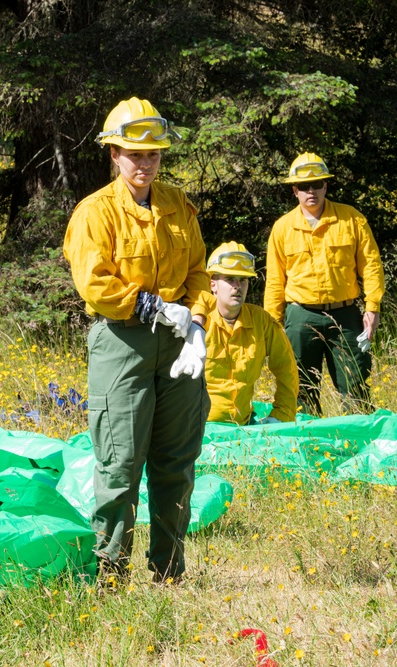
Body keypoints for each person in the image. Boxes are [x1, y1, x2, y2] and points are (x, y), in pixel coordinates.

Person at [63, 97, 212, 584]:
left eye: (153, 154)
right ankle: (110, 573)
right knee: (120, 463)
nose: (144, 164)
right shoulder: (96, 212)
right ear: (114, 155)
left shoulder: (176, 205)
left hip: (177, 343)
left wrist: (198, 325)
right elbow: (94, 282)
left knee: (176, 463)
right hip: (122, 342)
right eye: (134, 154)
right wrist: (151, 306)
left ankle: (169, 572)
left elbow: (198, 273)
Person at [263, 152, 385, 415]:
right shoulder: (282, 228)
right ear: (294, 190)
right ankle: (307, 445)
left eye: (317, 184)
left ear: (326, 186)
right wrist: (273, 327)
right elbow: (274, 281)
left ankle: (357, 445)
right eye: (304, 186)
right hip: (300, 316)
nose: (311, 191)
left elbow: (372, 265)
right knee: (300, 389)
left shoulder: (351, 219)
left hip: (347, 316)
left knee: (356, 387)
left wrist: (372, 307)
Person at [204, 242, 298, 425]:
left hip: (244, 426)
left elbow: (287, 368)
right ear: (212, 285)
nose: (237, 286)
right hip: (198, 429)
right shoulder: (196, 320)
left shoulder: (261, 321)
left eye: (243, 280)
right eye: (230, 279)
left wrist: (281, 415)